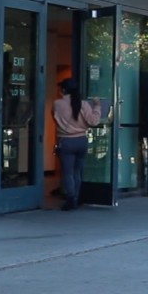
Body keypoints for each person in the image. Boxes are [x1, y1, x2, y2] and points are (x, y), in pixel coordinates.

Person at [52, 79, 101, 211]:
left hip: (66, 141)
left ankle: (71, 198)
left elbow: (55, 118)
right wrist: (97, 106)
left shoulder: (57, 104)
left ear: (63, 90)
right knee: (77, 172)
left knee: (67, 172)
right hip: (81, 140)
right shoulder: (83, 104)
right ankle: (77, 197)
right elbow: (94, 121)